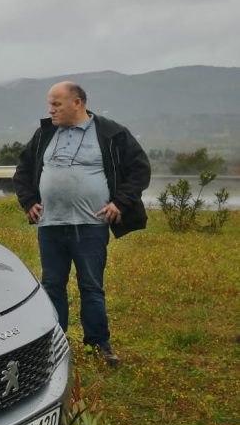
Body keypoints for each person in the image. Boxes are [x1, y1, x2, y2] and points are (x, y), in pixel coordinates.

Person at [13, 81, 151, 367]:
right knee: (53, 285)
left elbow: (140, 168)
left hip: (90, 225)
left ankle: (98, 345)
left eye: (56, 104)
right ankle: (54, 345)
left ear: (77, 103)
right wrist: (28, 202)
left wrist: (120, 203)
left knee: (91, 286)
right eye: (50, 104)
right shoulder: (44, 134)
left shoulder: (110, 133)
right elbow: (23, 169)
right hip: (50, 225)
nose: (50, 110)